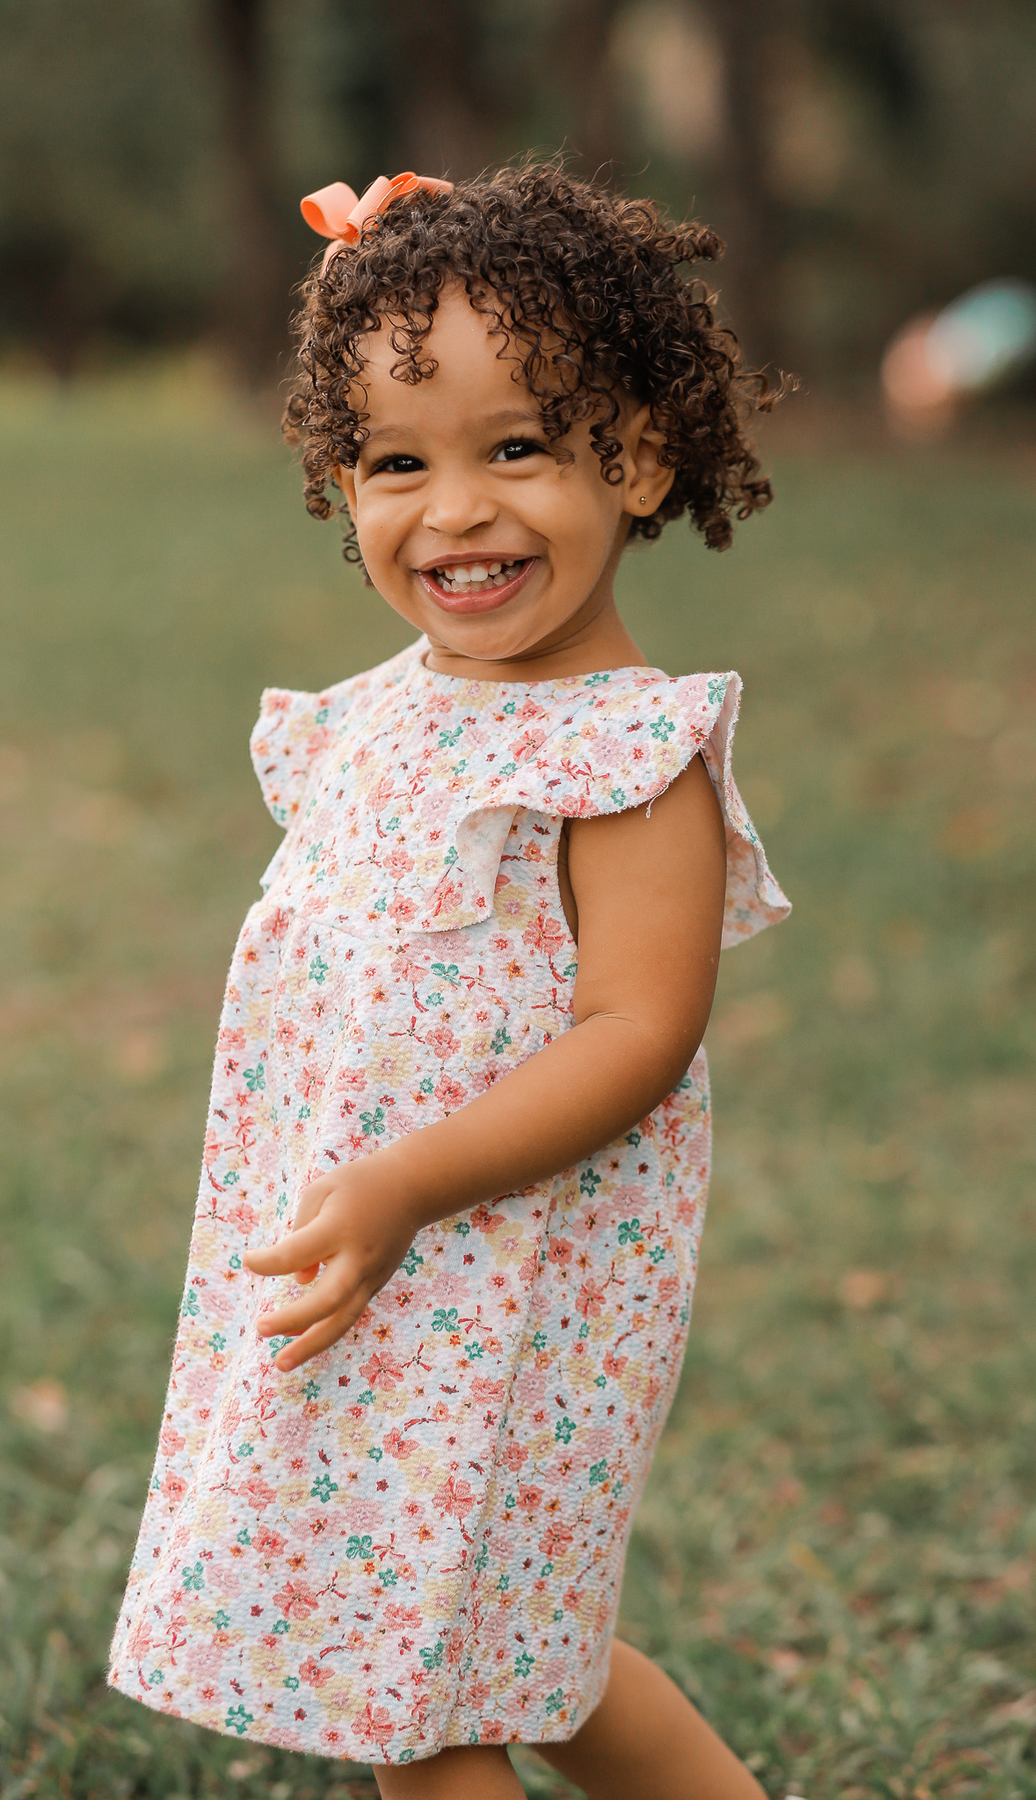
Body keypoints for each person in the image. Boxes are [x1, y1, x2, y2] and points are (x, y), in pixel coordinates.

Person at [109, 160, 791, 1798]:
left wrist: (407, 1185)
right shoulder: (388, 711)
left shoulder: (628, 756)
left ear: (634, 457)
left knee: (417, 1705)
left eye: (517, 449)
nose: (455, 510)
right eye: (396, 463)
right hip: (372, 1263)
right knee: (518, 1656)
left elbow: (640, 1029)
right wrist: (360, 1201)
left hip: (500, 1283)